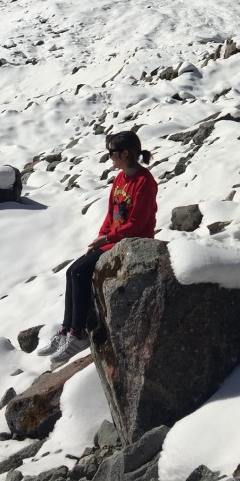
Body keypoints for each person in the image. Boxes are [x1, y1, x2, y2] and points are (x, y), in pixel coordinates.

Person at [37, 130, 158, 366]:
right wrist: (101, 235)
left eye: (112, 152)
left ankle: (77, 334)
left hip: (131, 242)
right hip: (114, 239)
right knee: (73, 271)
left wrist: (107, 239)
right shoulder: (121, 178)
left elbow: (137, 224)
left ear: (125, 153)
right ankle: (66, 330)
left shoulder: (144, 182)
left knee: (80, 272)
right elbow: (111, 213)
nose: (110, 157)